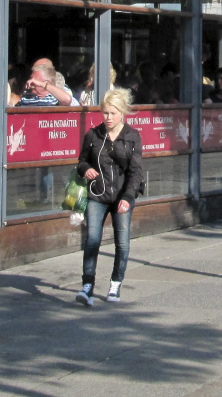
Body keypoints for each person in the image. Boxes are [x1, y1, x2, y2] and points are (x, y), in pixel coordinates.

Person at [75, 87, 144, 307]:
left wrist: (128, 197)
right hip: (97, 194)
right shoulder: (94, 135)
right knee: (92, 240)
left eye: (113, 113)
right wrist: (85, 169)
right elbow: (81, 160)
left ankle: (116, 283)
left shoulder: (132, 137)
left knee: (122, 243)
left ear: (122, 112)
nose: (109, 117)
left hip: (122, 196)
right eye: (105, 113)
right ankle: (87, 286)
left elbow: (136, 173)